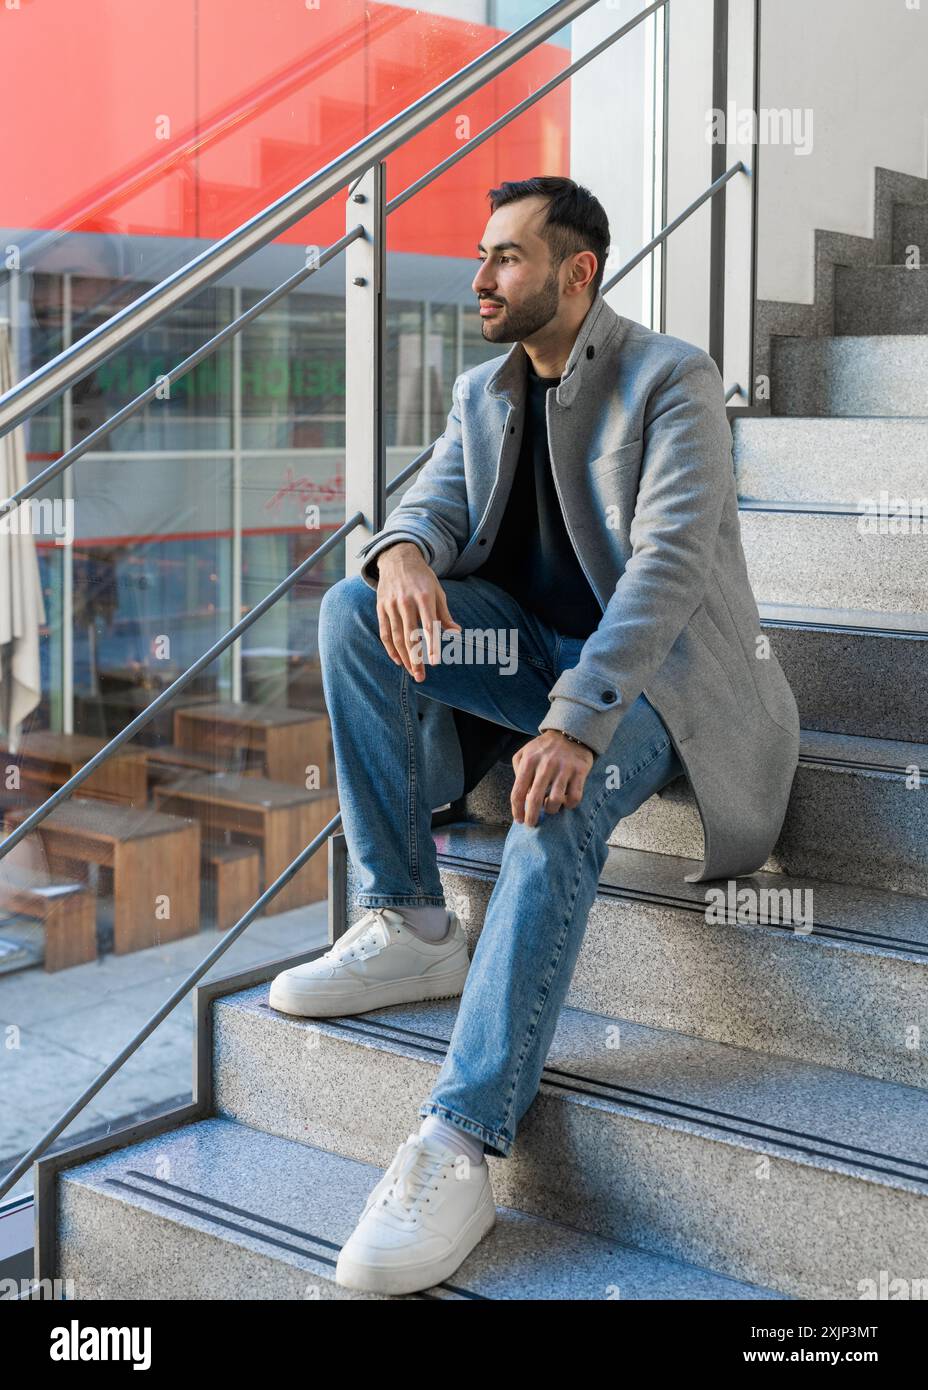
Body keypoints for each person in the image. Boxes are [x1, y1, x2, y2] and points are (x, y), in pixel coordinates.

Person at [269, 176, 800, 1296]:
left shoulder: (673, 379)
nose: (479, 277)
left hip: (664, 684)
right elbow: (435, 507)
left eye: (505, 257)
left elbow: (664, 573)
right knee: (354, 610)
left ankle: (459, 1136)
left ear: (577, 272)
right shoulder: (483, 390)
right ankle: (410, 915)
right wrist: (404, 546)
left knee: (551, 803)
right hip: (529, 663)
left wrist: (570, 722)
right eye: (479, 255)